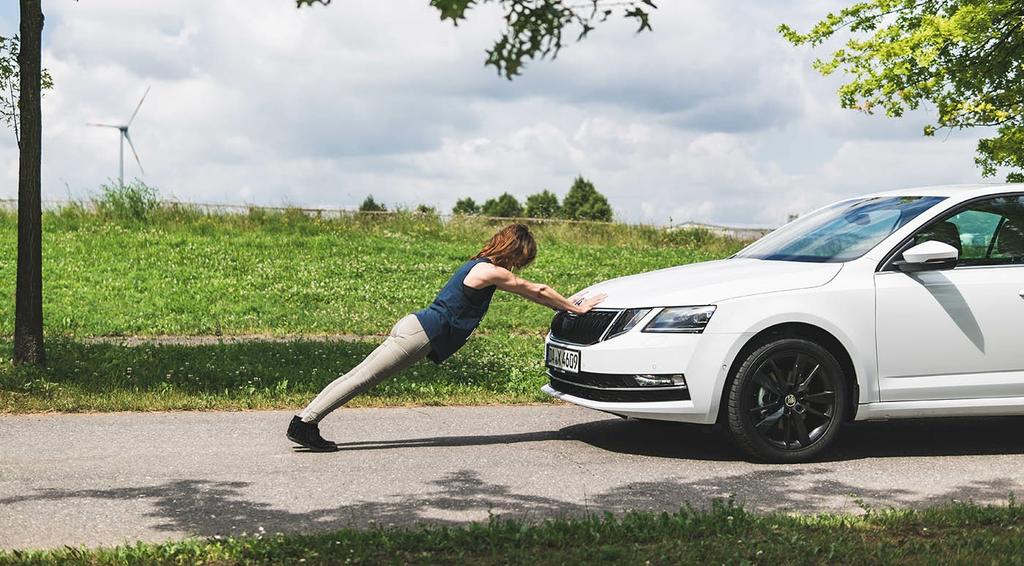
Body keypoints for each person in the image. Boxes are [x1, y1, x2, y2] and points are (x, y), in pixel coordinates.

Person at [286, 223, 607, 451]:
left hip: (417, 328)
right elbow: (535, 290)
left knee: (358, 376)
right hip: (420, 332)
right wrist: (575, 309)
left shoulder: (479, 267)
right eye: (521, 259)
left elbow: (530, 289)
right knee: (361, 379)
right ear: (514, 251)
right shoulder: (488, 270)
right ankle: (305, 423)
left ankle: (306, 421)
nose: (519, 265)